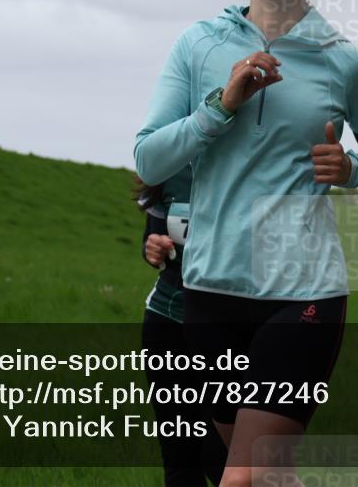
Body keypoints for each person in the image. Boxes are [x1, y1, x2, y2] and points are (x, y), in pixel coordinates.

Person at [134, 0, 358, 487]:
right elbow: (149, 155)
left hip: (304, 291)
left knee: (244, 480)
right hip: (210, 290)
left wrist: (353, 169)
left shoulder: (344, 62)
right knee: (256, 476)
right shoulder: (199, 45)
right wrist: (222, 105)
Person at [135, 167, 228, 486]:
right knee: (179, 456)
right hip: (167, 321)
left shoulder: (252, 160)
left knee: (223, 458)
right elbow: (152, 239)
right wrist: (154, 247)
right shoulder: (172, 167)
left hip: (231, 327)